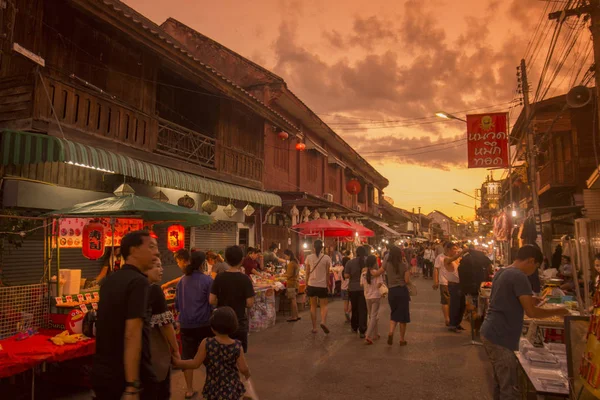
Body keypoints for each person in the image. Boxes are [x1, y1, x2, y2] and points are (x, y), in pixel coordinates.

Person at [481, 245, 570, 400]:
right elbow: (532, 312)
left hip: (491, 331)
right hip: (501, 335)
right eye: (536, 267)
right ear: (531, 260)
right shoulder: (519, 276)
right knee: (509, 388)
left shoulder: (503, 271)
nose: (534, 271)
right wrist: (559, 311)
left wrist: (530, 299)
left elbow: (506, 297)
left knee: (500, 382)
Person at [93, 231, 160, 400]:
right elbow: (132, 333)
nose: (156, 252)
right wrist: (131, 385)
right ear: (134, 251)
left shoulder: (109, 281)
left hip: (103, 370)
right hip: (125, 375)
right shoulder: (139, 282)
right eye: (151, 247)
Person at [174, 307, 251, 400]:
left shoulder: (207, 343)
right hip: (232, 387)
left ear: (213, 327)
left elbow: (195, 363)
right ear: (234, 325)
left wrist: (178, 362)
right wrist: (247, 374)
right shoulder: (237, 346)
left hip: (213, 387)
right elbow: (243, 368)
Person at [175, 251, 214, 399]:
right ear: (203, 264)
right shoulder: (207, 281)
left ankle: (189, 389)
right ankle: (210, 386)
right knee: (209, 357)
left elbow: (178, 305)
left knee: (187, 358)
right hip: (204, 324)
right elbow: (212, 303)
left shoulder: (182, 281)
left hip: (186, 325)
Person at [210, 245, 256, 353]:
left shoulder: (219, 277)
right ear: (241, 260)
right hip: (239, 322)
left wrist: (223, 301)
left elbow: (211, 300)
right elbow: (250, 303)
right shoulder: (245, 279)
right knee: (239, 355)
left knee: (222, 355)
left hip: (221, 323)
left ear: (226, 259)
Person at [146, 259, 179, 400]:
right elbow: (166, 325)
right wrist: (176, 350)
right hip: (154, 349)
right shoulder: (154, 290)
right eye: (157, 266)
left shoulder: (129, 287)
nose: (162, 270)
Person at [372, 245, 411, 346]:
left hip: (392, 291)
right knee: (403, 317)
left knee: (394, 313)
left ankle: (391, 332)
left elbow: (378, 272)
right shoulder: (404, 264)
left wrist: (369, 272)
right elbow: (407, 280)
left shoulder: (387, 264)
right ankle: (402, 339)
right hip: (402, 291)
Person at [305, 240, 332, 334]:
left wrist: (306, 284)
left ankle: (314, 327)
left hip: (311, 284)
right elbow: (328, 273)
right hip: (322, 285)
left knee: (313, 306)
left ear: (313, 247)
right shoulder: (327, 258)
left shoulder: (309, 257)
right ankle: (323, 322)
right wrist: (328, 285)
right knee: (324, 305)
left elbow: (307, 272)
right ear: (322, 248)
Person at [443, 242, 468, 332]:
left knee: (462, 305)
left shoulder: (457, 259)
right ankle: (452, 325)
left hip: (460, 285)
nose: (456, 251)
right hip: (453, 285)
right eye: (454, 249)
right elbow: (453, 258)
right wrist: (461, 253)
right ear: (448, 250)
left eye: (457, 249)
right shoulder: (447, 259)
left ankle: (457, 323)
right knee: (455, 305)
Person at [345, 246, 368, 338]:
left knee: (354, 308)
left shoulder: (350, 262)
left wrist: (352, 275)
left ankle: (354, 327)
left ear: (356, 253)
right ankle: (362, 329)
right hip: (364, 288)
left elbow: (346, 275)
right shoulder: (368, 261)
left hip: (353, 289)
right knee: (363, 309)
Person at [361, 255, 383, 345]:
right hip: (376, 296)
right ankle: (368, 335)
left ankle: (375, 334)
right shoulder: (377, 273)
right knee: (373, 316)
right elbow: (379, 284)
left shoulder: (363, 273)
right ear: (375, 263)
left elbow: (362, 285)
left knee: (371, 316)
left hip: (367, 296)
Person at [283, 249, 301, 322]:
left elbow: (289, 275)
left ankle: (294, 316)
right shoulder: (296, 262)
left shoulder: (291, 264)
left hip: (291, 284)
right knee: (294, 300)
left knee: (292, 300)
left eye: (285, 256)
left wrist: (282, 275)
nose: (285, 257)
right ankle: (296, 315)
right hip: (296, 283)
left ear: (289, 255)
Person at [341, 250, 352, 322]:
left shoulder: (341, 270)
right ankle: (348, 312)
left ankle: (346, 316)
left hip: (343, 289)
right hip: (350, 288)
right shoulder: (350, 270)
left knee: (345, 303)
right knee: (352, 303)